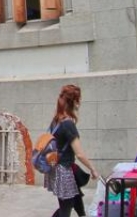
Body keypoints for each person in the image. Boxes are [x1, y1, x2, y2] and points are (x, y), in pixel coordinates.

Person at [44, 84, 99, 217]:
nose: (80, 102)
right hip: (63, 171)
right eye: (79, 99)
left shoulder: (57, 120)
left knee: (75, 195)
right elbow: (79, 154)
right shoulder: (68, 124)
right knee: (65, 209)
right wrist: (92, 168)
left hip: (56, 167)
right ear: (74, 101)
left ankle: (82, 214)